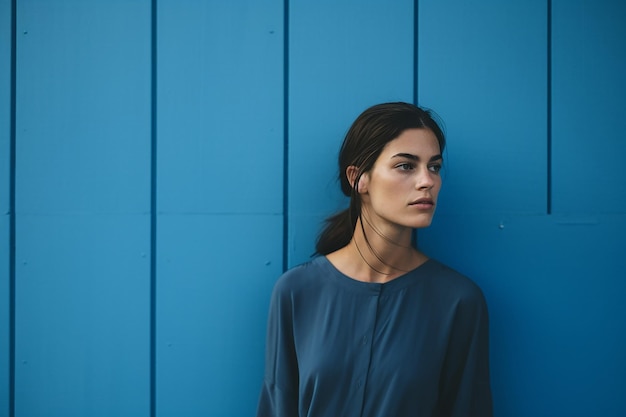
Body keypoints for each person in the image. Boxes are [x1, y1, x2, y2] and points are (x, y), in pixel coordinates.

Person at [256, 102, 493, 417]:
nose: (428, 181)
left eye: (434, 166)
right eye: (406, 165)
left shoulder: (459, 301)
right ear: (358, 178)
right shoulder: (295, 291)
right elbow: (277, 407)